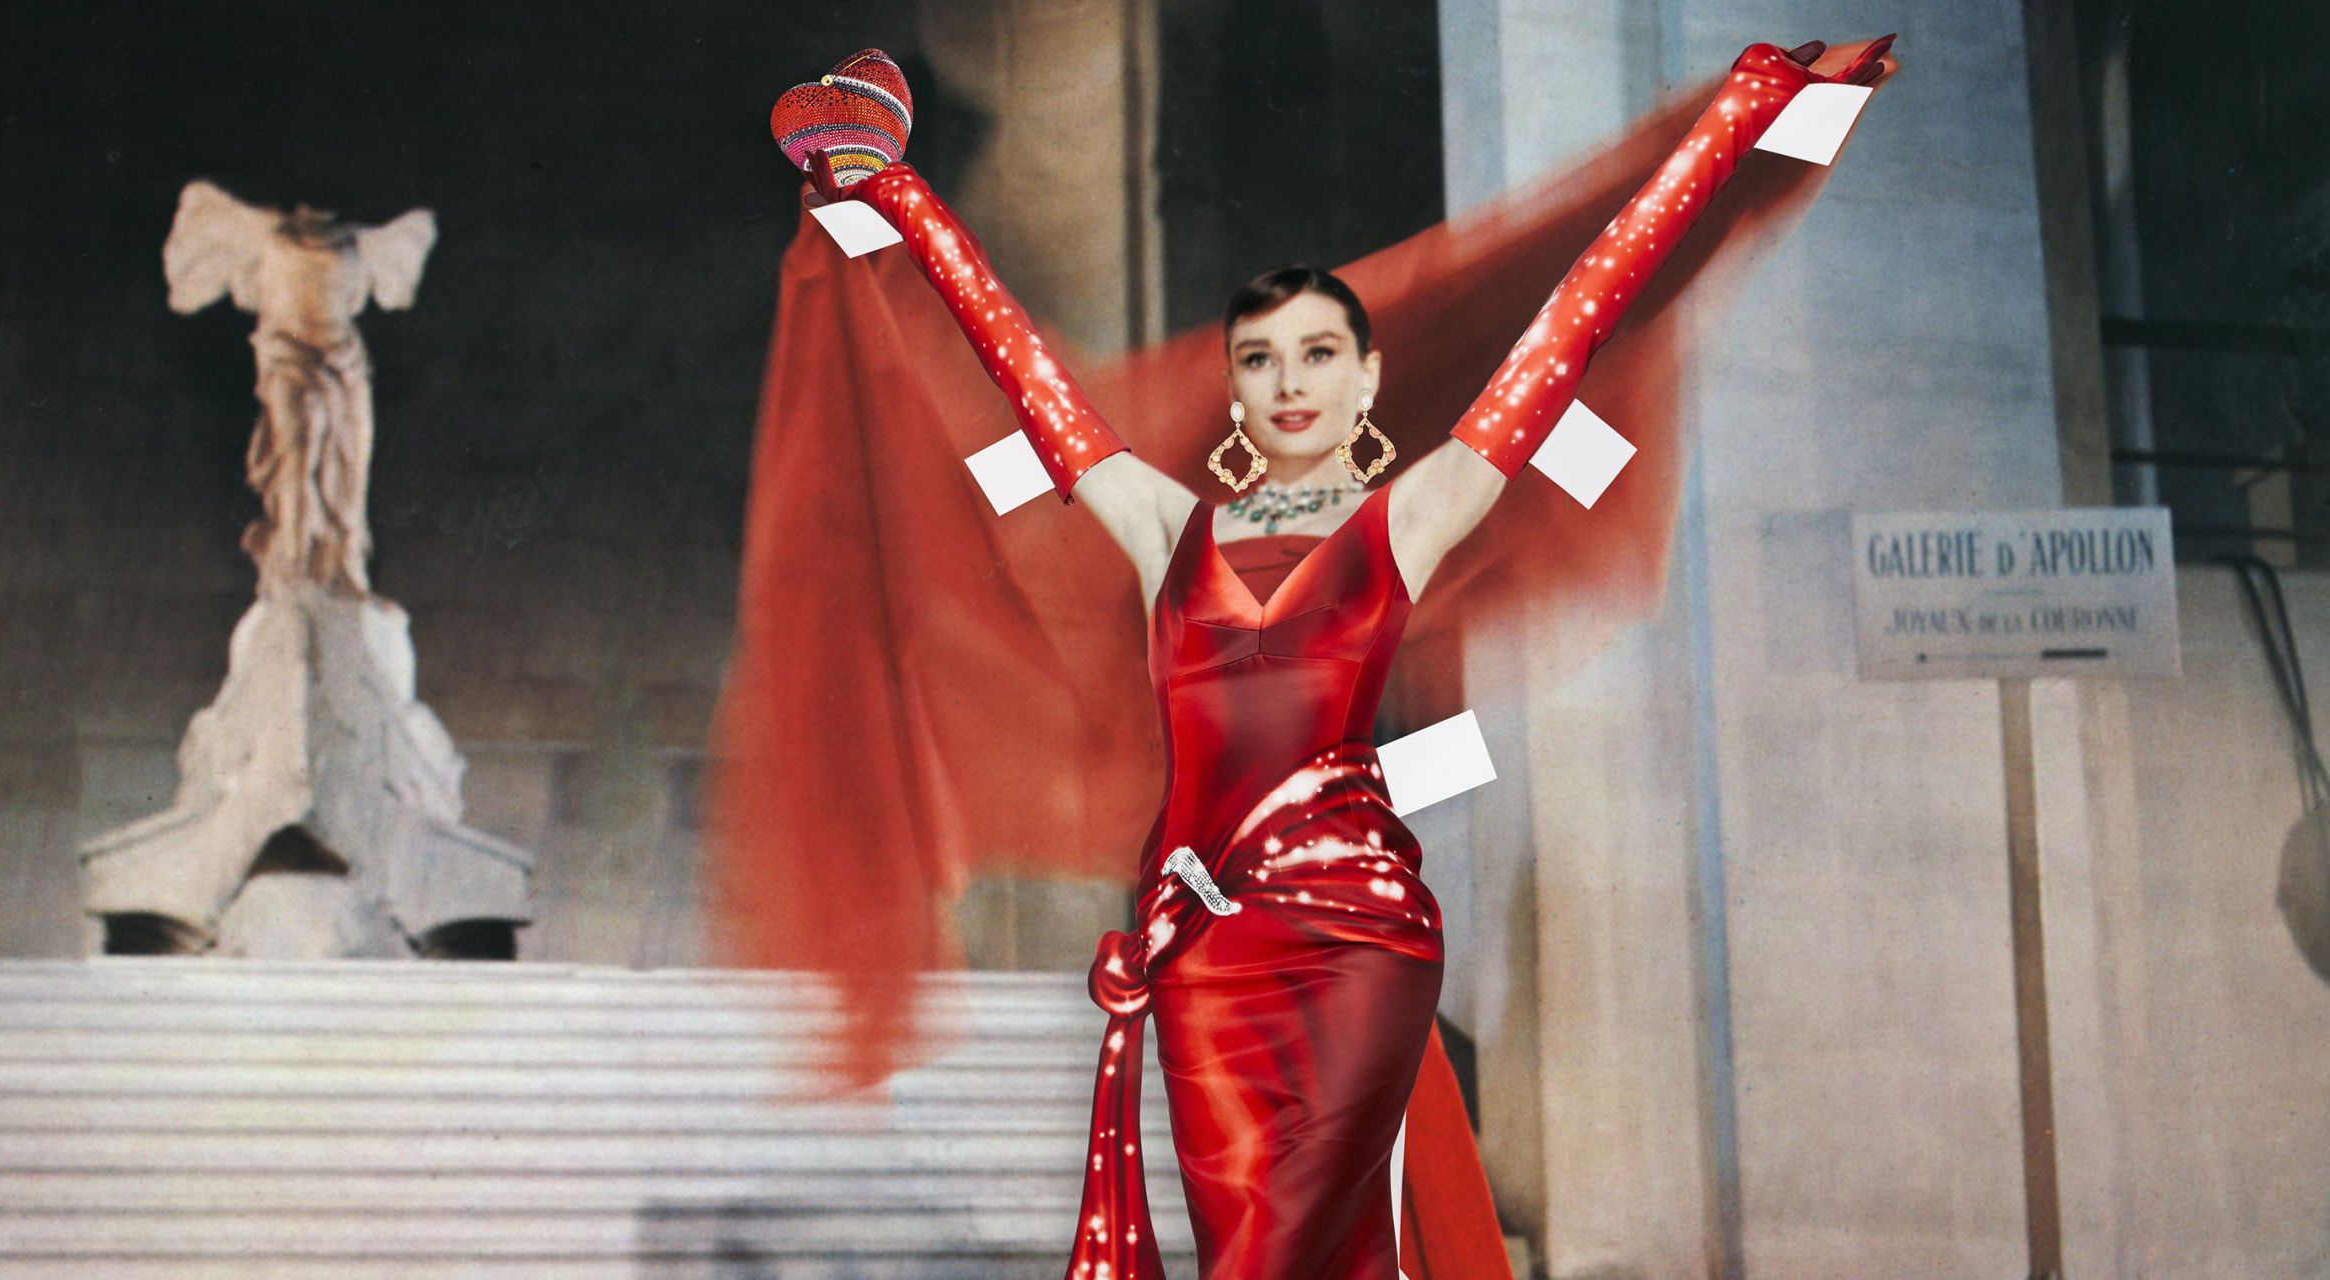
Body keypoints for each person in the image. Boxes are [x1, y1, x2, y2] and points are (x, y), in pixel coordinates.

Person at [759, 34, 1892, 1278]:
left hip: (1357, 933)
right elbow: (1018, 367)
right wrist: (895, 196)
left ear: (1365, 384)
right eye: (1259, 357)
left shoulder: (1408, 520)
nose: (1287, 380)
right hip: (1205, 952)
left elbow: (1575, 315)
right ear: (1236, 392)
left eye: (1317, 354)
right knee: (1249, 1247)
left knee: (1294, 1249)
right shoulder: (1163, 528)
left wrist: (1726, 135)